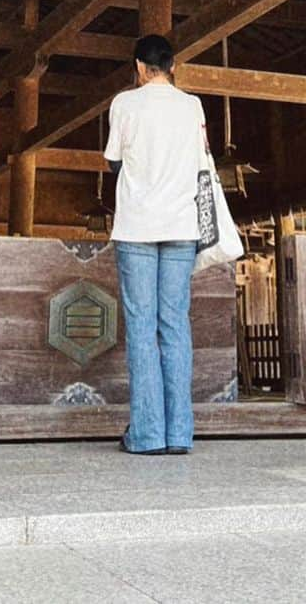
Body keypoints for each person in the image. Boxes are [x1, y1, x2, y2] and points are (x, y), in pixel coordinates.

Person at [103, 33, 207, 455]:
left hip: (138, 227)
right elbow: (202, 161)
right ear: (173, 66)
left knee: (142, 330)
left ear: (140, 68)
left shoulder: (125, 103)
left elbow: (114, 159)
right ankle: (180, 434)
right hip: (182, 225)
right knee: (175, 326)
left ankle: (147, 435)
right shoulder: (192, 105)